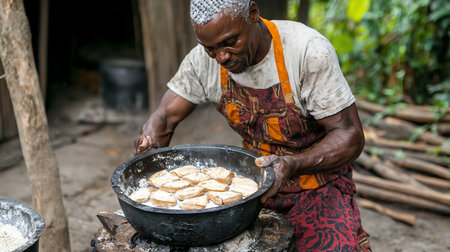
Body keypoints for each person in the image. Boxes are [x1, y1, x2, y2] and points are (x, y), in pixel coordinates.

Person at [135, 0, 371, 251]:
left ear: (253, 13)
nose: (222, 57)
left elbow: (350, 136)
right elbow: (165, 117)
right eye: (210, 48)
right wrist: (151, 135)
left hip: (317, 186)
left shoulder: (306, 51)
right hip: (248, 191)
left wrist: (290, 165)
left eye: (230, 42)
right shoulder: (204, 61)